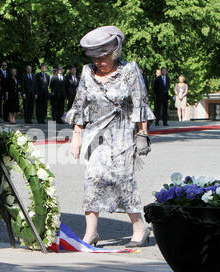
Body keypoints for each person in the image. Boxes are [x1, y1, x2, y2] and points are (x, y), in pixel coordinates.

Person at [63, 26, 154, 248]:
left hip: (122, 133)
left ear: (114, 53)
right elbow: (80, 104)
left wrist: (143, 134)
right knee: (93, 179)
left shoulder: (130, 71)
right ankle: (91, 232)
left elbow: (139, 103)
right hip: (96, 134)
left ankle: (139, 227)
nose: (98, 62)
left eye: (102, 57)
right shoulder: (87, 72)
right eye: (95, 58)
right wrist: (77, 136)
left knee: (122, 181)